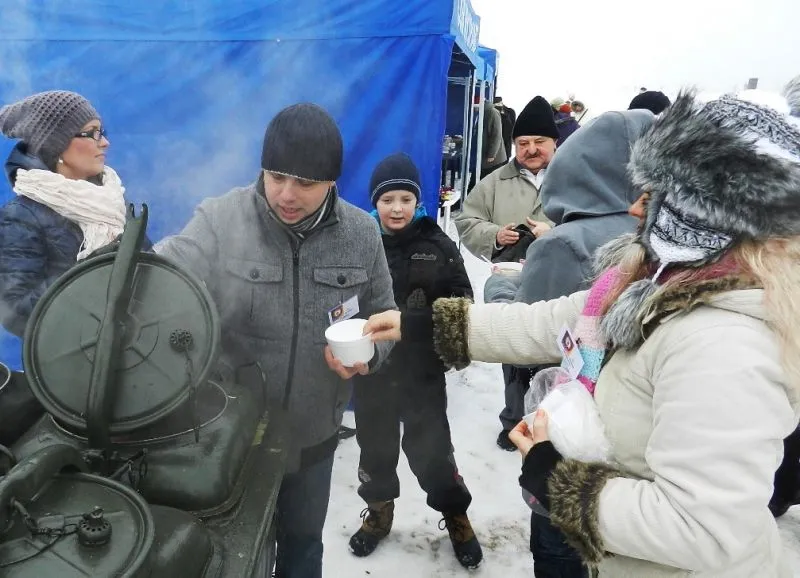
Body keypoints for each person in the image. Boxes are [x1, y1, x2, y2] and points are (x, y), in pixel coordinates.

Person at [362, 82, 800, 577]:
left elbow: (704, 531)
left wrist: (556, 476)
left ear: (708, 210)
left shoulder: (724, 342)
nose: (634, 209)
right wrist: (419, 325)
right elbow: (545, 321)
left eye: (654, 195)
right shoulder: (650, 284)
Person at [156, 103, 397, 578]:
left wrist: (369, 355)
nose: (286, 194)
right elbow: (170, 269)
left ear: (332, 181)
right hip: (228, 435)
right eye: (276, 176)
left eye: (305, 182)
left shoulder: (361, 233)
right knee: (229, 557)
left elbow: (382, 314)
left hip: (313, 433)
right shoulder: (221, 218)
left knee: (303, 546)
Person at [483, 108, 655, 577]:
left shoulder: (565, 242)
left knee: (558, 548)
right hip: (632, 462)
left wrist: (500, 287)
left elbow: (535, 336)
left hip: (570, 444)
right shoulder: (651, 242)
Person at [347, 153, 481, 568]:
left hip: (422, 371)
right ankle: (379, 512)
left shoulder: (437, 245)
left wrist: (425, 329)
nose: (397, 209)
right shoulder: (360, 242)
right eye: (387, 200)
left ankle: (455, 515)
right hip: (374, 370)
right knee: (375, 449)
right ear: (375, 202)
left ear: (418, 201)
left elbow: (463, 303)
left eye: (406, 199)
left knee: (433, 450)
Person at [0, 90, 147, 338]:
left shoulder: (113, 202)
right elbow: (15, 313)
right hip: (75, 355)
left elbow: (150, 272)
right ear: (57, 146)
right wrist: (89, 270)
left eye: (102, 132)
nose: (105, 142)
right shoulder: (20, 217)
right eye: (92, 133)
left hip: (135, 345)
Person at [455, 96, 557, 260]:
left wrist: (554, 231)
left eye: (539, 142)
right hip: (509, 274)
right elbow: (467, 222)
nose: (531, 150)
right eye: (523, 143)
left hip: (564, 274)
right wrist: (495, 236)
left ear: (554, 142)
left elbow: (593, 225)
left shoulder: (576, 181)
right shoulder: (493, 183)